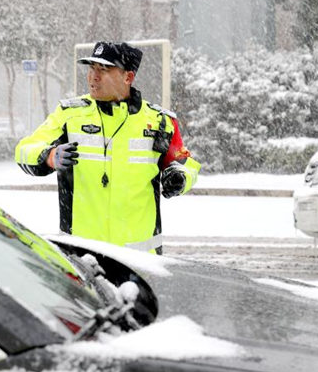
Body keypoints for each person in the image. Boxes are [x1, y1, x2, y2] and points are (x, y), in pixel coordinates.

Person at [14, 41, 200, 254]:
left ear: (128, 77)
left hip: (140, 259)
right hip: (83, 256)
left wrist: (179, 177)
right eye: (92, 68)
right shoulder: (69, 115)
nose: (94, 76)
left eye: (103, 70)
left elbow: (187, 164)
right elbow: (24, 149)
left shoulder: (160, 122)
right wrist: (48, 156)